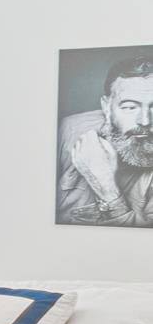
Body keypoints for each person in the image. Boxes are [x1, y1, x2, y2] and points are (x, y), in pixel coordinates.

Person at [58, 53, 153, 226]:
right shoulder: (67, 130)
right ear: (106, 107)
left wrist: (106, 188)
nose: (145, 121)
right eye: (130, 107)